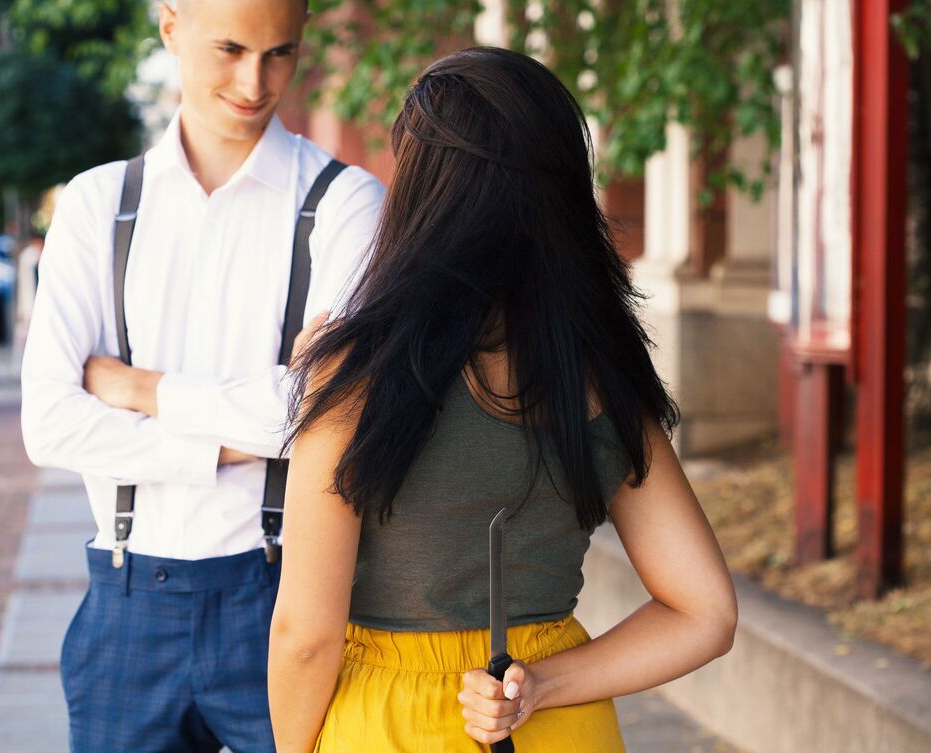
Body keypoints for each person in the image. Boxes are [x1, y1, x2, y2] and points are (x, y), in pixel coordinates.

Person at [267, 46, 738, 753]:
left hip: (392, 724)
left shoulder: (358, 372)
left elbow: (305, 635)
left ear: (425, 190)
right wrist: (541, 684)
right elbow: (706, 612)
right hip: (555, 725)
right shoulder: (599, 369)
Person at [19, 0, 384, 750]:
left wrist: (138, 390)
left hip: (286, 598)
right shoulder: (97, 206)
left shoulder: (346, 203)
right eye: (230, 49)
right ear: (170, 27)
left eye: (280, 53)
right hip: (126, 604)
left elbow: (343, 411)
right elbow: (49, 421)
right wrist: (244, 436)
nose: (255, 80)